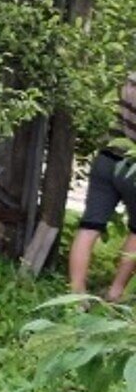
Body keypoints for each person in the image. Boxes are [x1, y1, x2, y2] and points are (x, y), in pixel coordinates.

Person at [68, 72, 136, 300]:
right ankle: (115, 293)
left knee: (89, 226)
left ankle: (76, 294)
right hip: (132, 168)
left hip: (106, 160)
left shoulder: (128, 82)